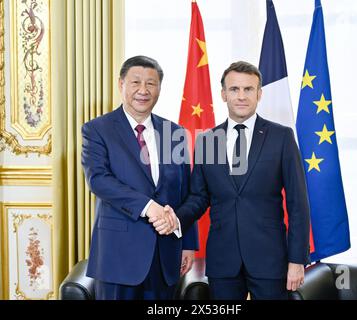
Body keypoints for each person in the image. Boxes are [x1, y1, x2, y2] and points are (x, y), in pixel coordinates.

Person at [151, 61, 310, 300]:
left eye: (248, 89)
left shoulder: (282, 137)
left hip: (269, 259)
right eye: (234, 89)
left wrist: (297, 259)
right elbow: (199, 197)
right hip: (223, 261)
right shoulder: (207, 141)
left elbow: (299, 204)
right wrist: (175, 218)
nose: (241, 96)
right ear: (224, 94)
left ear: (259, 94)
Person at [81, 55, 198, 300]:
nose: (143, 90)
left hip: (165, 253)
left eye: (151, 84)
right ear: (121, 84)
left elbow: (185, 191)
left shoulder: (174, 132)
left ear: (159, 89)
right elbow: (99, 180)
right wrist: (148, 207)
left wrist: (187, 242)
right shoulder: (97, 129)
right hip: (118, 256)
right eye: (135, 82)